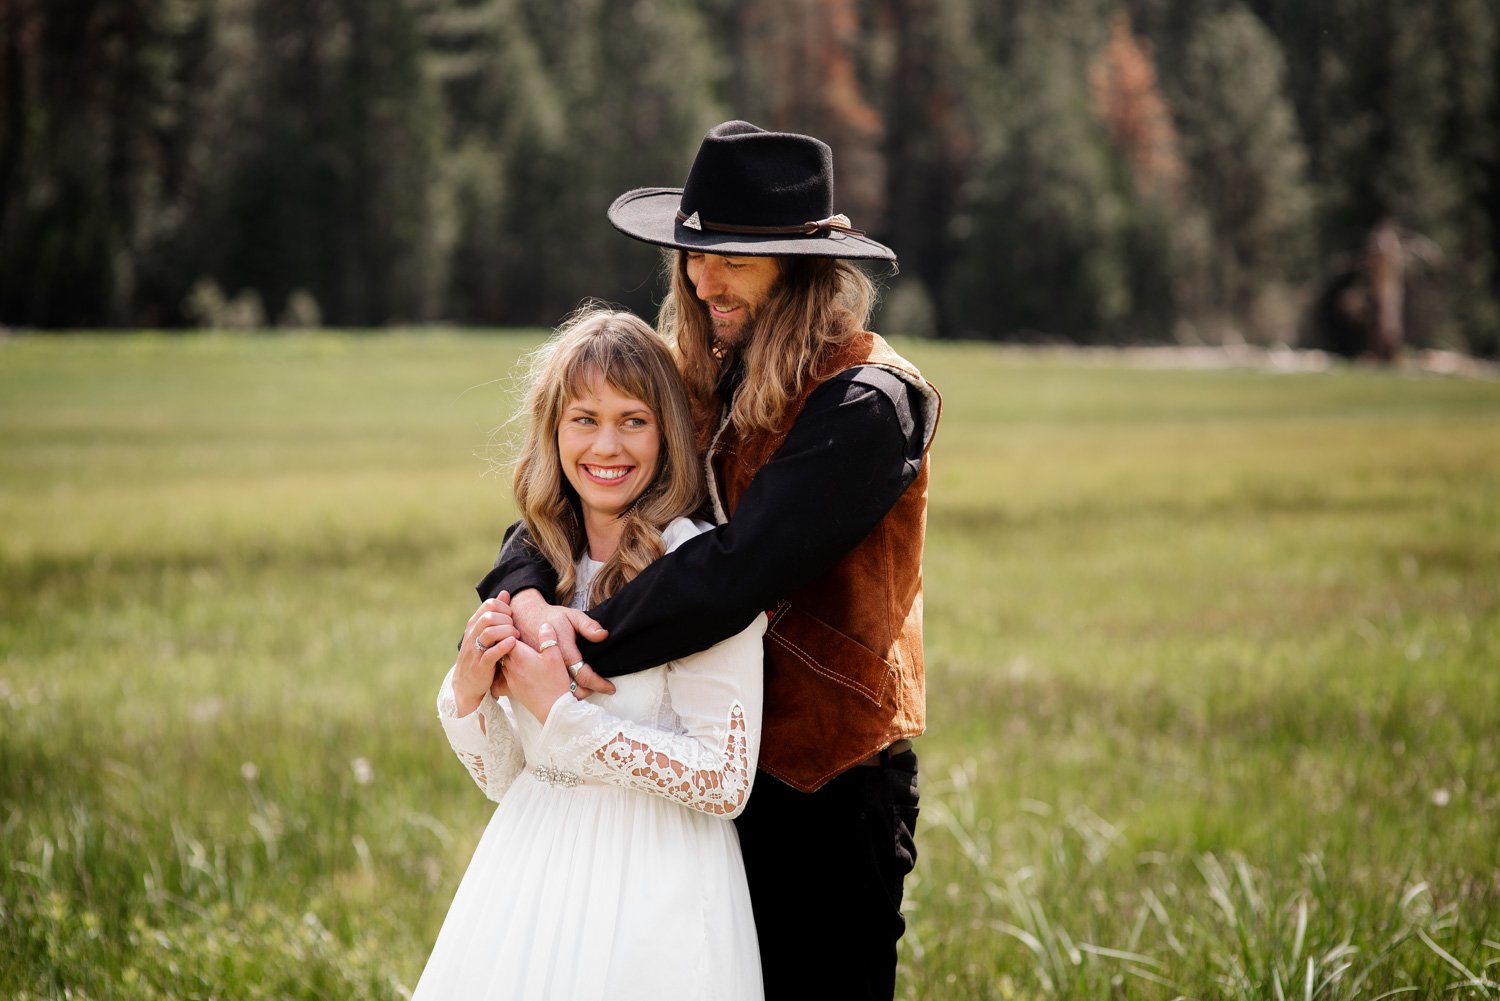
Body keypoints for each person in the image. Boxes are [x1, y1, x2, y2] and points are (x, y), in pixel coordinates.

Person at [479, 121, 941, 1000]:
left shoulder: (870, 400)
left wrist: (565, 660)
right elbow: (572, 496)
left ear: (802, 262)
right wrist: (526, 598)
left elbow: (737, 569)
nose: (701, 277)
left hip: (822, 789)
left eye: (730, 256)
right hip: (690, 778)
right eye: (693, 252)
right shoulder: (699, 379)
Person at [413, 308, 767, 1001]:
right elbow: (507, 774)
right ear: (553, 430)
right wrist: (466, 690)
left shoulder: (698, 567)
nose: (607, 444)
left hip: (656, 884)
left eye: (633, 419)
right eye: (584, 419)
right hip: (530, 867)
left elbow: (726, 779)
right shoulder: (543, 566)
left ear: (669, 431)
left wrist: (563, 714)